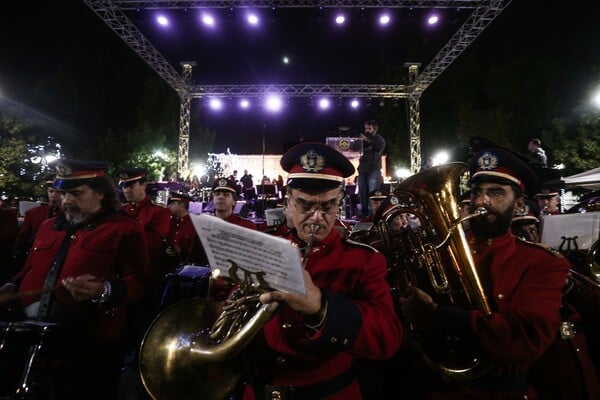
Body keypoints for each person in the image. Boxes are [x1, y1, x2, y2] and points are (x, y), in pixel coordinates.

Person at [398, 147, 571, 399]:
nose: (481, 201)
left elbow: (526, 341)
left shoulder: (542, 262)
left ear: (519, 204)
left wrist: (440, 315)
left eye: (496, 193)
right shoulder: (441, 248)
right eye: (477, 192)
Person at [239, 142, 403, 400]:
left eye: (327, 206)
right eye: (305, 205)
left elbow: (388, 339)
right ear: (288, 203)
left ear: (339, 204)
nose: (316, 217)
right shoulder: (263, 245)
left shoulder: (364, 260)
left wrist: (321, 306)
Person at [0, 160, 149, 400]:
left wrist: (103, 290)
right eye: (63, 193)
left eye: (76, 194)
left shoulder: (125, 228)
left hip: (90, 346)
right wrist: (10, 287)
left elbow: (141, 282)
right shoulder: (47, 226)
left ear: (100, 192)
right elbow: (28, 269)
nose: (66, 201)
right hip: (33, 342)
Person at [13, 177, 62, 271]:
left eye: (58, 192)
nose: (54, 195)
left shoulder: (72, 214)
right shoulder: (33, 213)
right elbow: (22, 238)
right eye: (51, 191)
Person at [163, 191, 204, 270]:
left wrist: (182, 252)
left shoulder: (195, 223)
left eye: (172, 204)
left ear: (181, 205)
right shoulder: (168, 221)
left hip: (188, 268)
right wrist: (166, 251)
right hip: (168, 266)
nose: (168, 207)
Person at [358, 120, 385, 218]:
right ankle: (365, 215)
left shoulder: (379, 139)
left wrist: (366, 140)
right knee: (363, 194)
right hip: (362, 171)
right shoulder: (362, 141)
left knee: (372, 194)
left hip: (373, 171)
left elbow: (378, 147)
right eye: (365, 128)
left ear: (375, 129)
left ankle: (373, 216)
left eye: (369, 128)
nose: (367, 131)